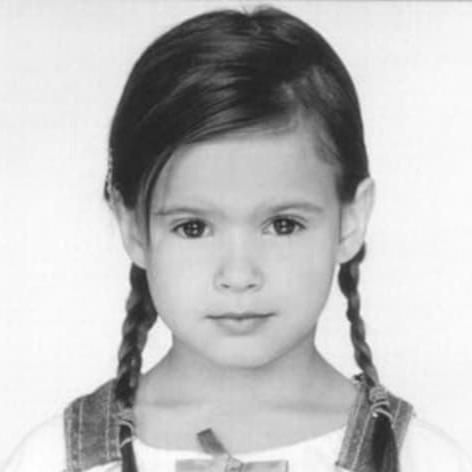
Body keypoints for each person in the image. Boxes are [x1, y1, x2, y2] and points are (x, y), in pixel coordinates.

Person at [3, 6, 471, 472]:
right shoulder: (51, 460)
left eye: (283, 224)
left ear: (350, 220)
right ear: (133, 227)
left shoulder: (425, 461)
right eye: (193, 227)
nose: (239, 275)